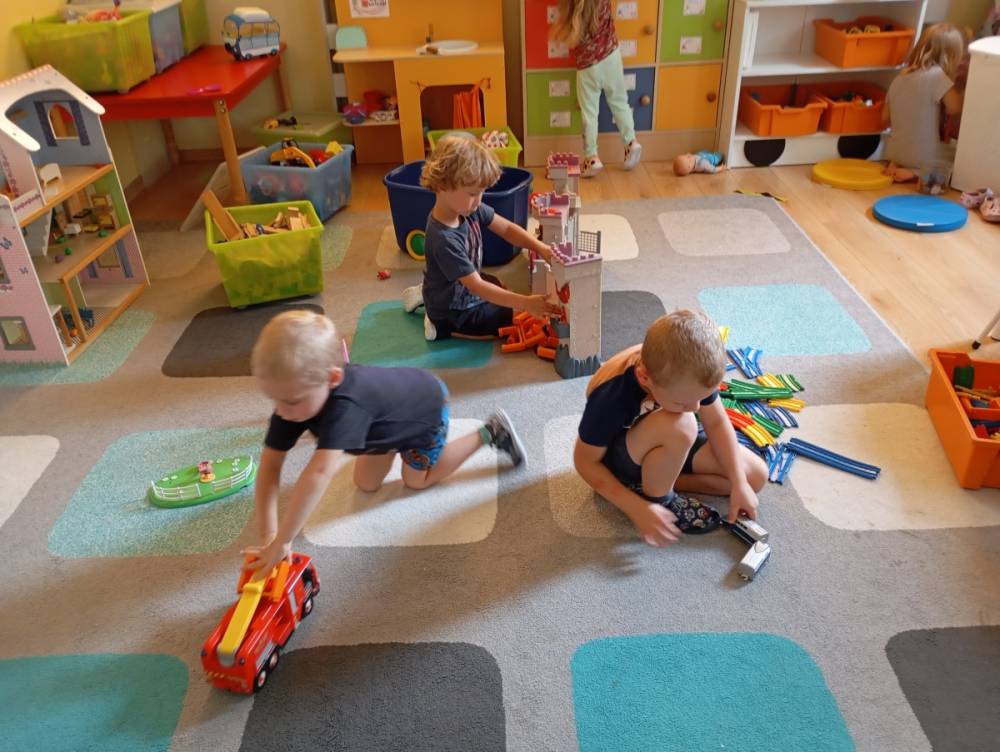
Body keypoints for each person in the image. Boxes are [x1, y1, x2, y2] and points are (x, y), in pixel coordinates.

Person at [243, 310, 526, 573]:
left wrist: (284, 540)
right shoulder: (291, 401)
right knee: (365, 484)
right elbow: (270, 465)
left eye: (291, 401)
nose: (281, 411)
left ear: (332, 378)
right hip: (384, 420)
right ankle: (389, 442)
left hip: (425, 410)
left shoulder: (347, 406)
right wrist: (269, 536)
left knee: (416, 480)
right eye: (274, 399)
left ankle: (491, 431)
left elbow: (319, 472)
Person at [573, 311, 768, 547]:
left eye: (701, 398)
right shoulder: (611, 396)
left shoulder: (694, 370)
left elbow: (716, 423)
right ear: (645, 378)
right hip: (622, 454)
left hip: (667, 438)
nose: (696, 407)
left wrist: (738, 483)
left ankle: (648, 482)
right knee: (684, 424)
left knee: (755, 476)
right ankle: (658, 498)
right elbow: (585, 463)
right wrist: (636, 507)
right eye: (683, 402)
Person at [402, 136, 561, 341]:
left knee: (499, 285)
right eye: (472, 194)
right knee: (508, 317)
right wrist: (526, 303)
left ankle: (428, 292)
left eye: (482, 193)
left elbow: (507, 229)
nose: (478, 201)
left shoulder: (467, 208)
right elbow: (477, 286)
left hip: (459, 286)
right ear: (442, 185)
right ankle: (437, 324)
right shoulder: (443, 239)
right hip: (453, 310)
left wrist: (541, 248)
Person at [550, 0, 642, 177]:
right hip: (611, 57)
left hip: (587, 66)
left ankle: (592, 157)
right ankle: (631, 142)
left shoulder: (570, 5)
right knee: (620, 103)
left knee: (589, 114)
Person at [881, 23, 966, 182]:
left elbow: (884, 118)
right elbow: (955, 108)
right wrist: (957, 85)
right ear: (951, 56)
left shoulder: (899, 77)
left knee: (909, 146)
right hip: (923, 156)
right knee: (957, 159)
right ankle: (916, 172)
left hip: (894, 151)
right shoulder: (937, 76)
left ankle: (896, 164)